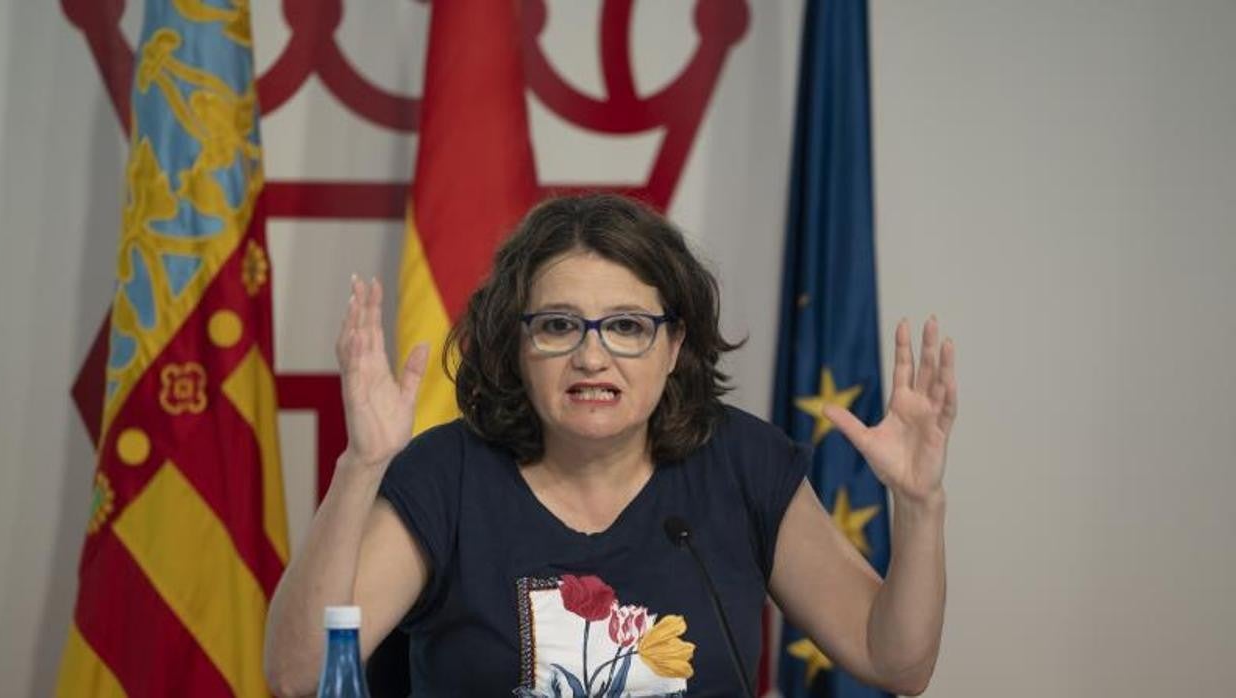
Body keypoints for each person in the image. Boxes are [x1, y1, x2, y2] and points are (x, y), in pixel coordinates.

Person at [264, 194, 955, 696]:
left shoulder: (742, 465)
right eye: (558, 325)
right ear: (517, 345)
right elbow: (298, 675)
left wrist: (920, 505)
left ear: (674, 345)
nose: (592, 357)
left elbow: (893, 660)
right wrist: (361, 467)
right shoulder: (447, 476)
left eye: (627, 326)